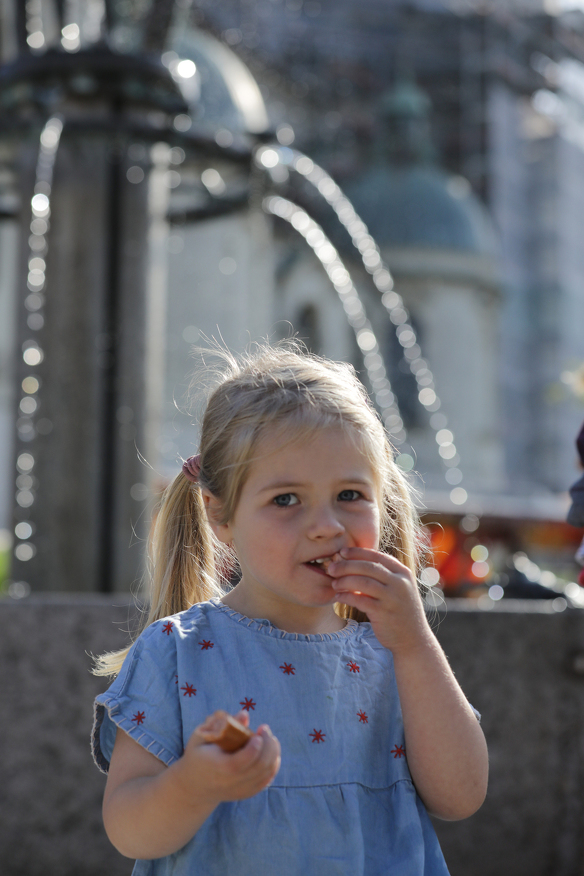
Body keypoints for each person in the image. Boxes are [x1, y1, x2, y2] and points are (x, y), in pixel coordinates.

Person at [92, 342, 488, 876]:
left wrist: (417, 644)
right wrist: (193, 785)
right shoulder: (177, 650)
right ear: (221, 514)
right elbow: (127, 828)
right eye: (285, 500)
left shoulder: (396, 652)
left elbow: (461, 797)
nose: (327, 525)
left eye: (350, 494)